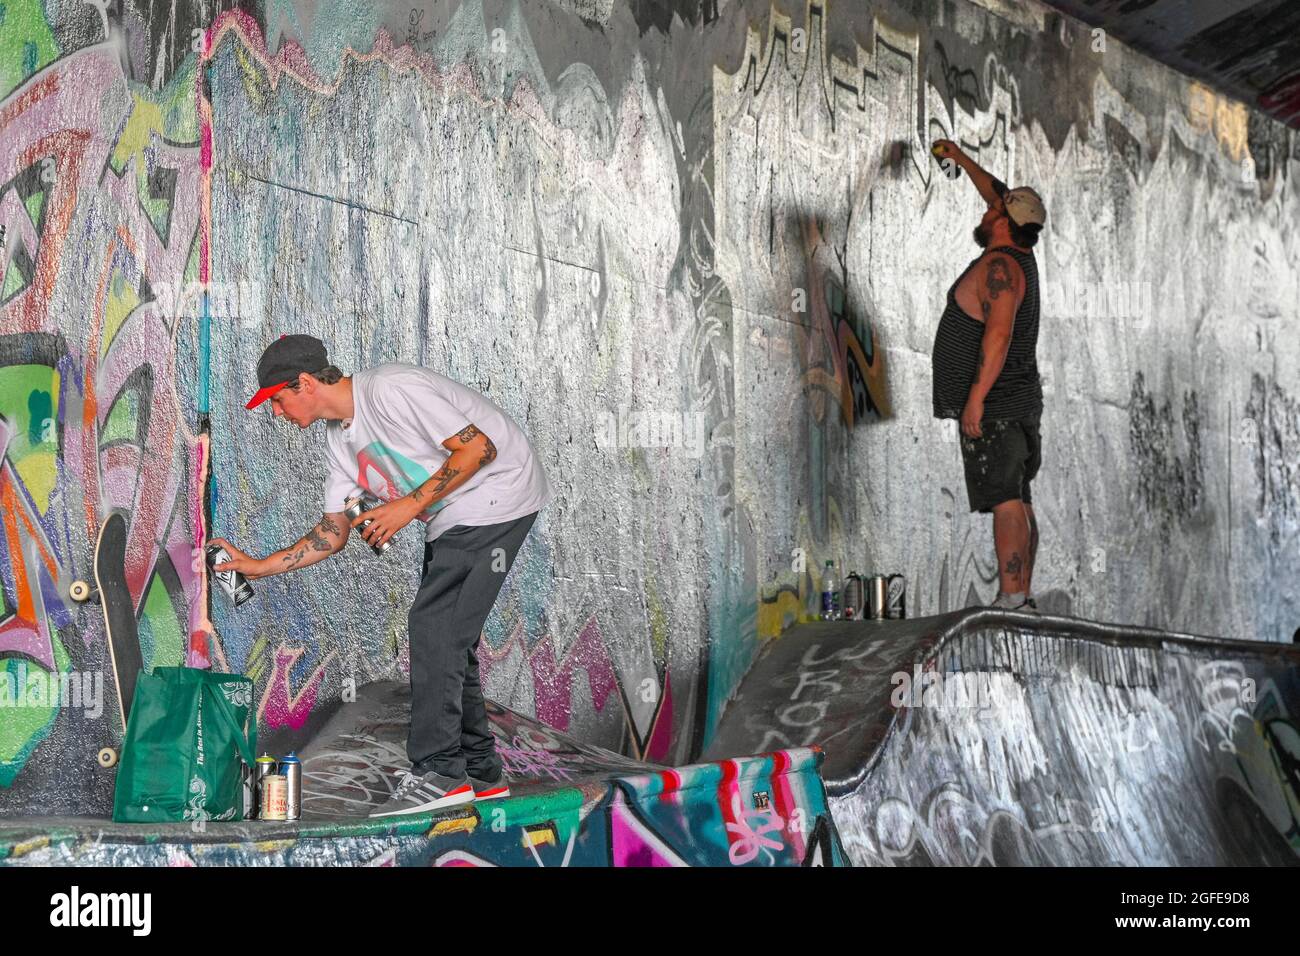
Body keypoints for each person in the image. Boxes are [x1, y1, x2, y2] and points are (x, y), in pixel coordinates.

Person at [209, 335, 552, 817]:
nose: (276, 412)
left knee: (433, 627)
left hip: (499, 491)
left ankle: (439, 773)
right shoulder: (339, 441)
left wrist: (406, 507)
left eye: (278, 400)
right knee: (448, 635)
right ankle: (479, 772)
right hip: (452, 515)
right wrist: (256, 565)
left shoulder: (390, 389)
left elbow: (479, 449)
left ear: (304, 383)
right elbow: (332, 533)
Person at [930, 140, 1046, 613]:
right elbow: (997, 193)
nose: (986, 209)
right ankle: (1022, 594)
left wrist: (976, 397)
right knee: (1017, 499)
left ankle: (1012, 596)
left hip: (997, 407)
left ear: (1003, 222)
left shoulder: (1000, 267)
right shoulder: (1019, 254)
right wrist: (960, 158)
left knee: (1005, 501)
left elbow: (998, 336)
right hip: (1019, 404)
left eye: (993, 209)